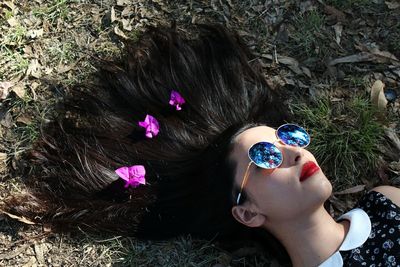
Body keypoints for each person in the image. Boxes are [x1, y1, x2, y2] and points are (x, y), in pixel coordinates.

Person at [2, 23, 399, 266]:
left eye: (288, 138)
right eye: (266, 157)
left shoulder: (387, 204)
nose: (295, 153)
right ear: (247, 214)